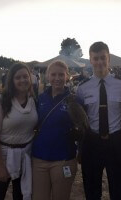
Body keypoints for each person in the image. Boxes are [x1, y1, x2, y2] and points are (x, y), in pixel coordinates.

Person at [76, 41, 121, 200]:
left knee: (118, 188)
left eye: (103, 58)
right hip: (92, 142)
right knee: (92, 189)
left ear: (109, 59)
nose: (99, 62)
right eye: (96, 58)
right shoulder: (82, 88)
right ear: (90, 60)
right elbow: (80, 120)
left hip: (116, 141)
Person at [0, 63, 38, 200]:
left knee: (21, 195)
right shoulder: (1, 101)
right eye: (18, 77)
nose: (22, 80)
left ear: (30, 78)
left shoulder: (33, 100)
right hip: (2, 156)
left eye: (25, 76)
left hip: (25, 156)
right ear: (11, 80)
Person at [32, 61, 78, 200]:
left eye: (61, 74)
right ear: (47, 76)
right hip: (39, 158)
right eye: (53, 74)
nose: (57, 78)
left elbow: (82, 128)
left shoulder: (75, 100)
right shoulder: (39, 99)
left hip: (64, 159)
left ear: (67, 76)